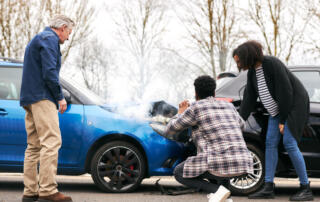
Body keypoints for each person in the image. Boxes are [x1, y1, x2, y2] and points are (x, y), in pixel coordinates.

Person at [232, 40, 313, 201]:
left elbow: (286, 92)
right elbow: (249, 98)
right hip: (277, 111)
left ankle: (306, 188)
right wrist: (238, 122)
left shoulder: (272, 64)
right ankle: (268, 187)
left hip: (293, 106)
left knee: (289, 143)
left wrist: (283, 120)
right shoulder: (252, 73)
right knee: (270, 143)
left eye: (239, 60)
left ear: (248, 56)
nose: (239, 64)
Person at [164, 75, 254, 202]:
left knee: (179, 172)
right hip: (244, 161)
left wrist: (180, 113)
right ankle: (223, 196)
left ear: (196, 93)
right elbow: (242, 126)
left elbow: (170, 129)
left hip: (217, 162)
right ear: (214, 92)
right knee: (219, 169)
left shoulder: (195, 108)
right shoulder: (229, 106)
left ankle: (217, 190)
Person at [20, 15, 75, 202]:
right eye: (69, 33)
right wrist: (60, 97)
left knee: (34, 146)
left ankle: (30, 192)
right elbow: (50, 71)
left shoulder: (38, 39)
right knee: (51, 142)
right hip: (43, 97)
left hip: (29, 98)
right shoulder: (49, 39)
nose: (68, 37)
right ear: (62, 28)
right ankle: (48, 190)